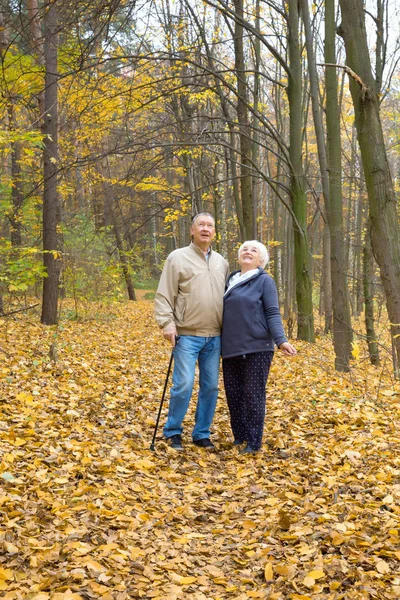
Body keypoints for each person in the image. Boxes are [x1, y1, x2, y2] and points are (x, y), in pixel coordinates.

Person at [154, 213, 229, 451]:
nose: (205, 229)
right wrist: (167, 323)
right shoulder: (177, 258)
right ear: (192, 230)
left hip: (215, 335)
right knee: (184, 384)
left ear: (214, 232)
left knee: (210, 387)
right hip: (186, 334)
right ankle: (173, 431)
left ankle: (201, 433)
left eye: (210, 225)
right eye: (201, 225)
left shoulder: (222, 262)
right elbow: (164, 293)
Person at [222, 240, 296, 455]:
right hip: (230, 347)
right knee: (233, 395)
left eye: (254, 250)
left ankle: (254, 442)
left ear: (261, 260)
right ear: (238, 257)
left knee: (253, 395)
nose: (248, 252)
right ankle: (240, 436)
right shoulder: (230, 280)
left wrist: (281, 340)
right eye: (244, 249)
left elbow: (272, 312)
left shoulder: (264, 281)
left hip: (257, 347)